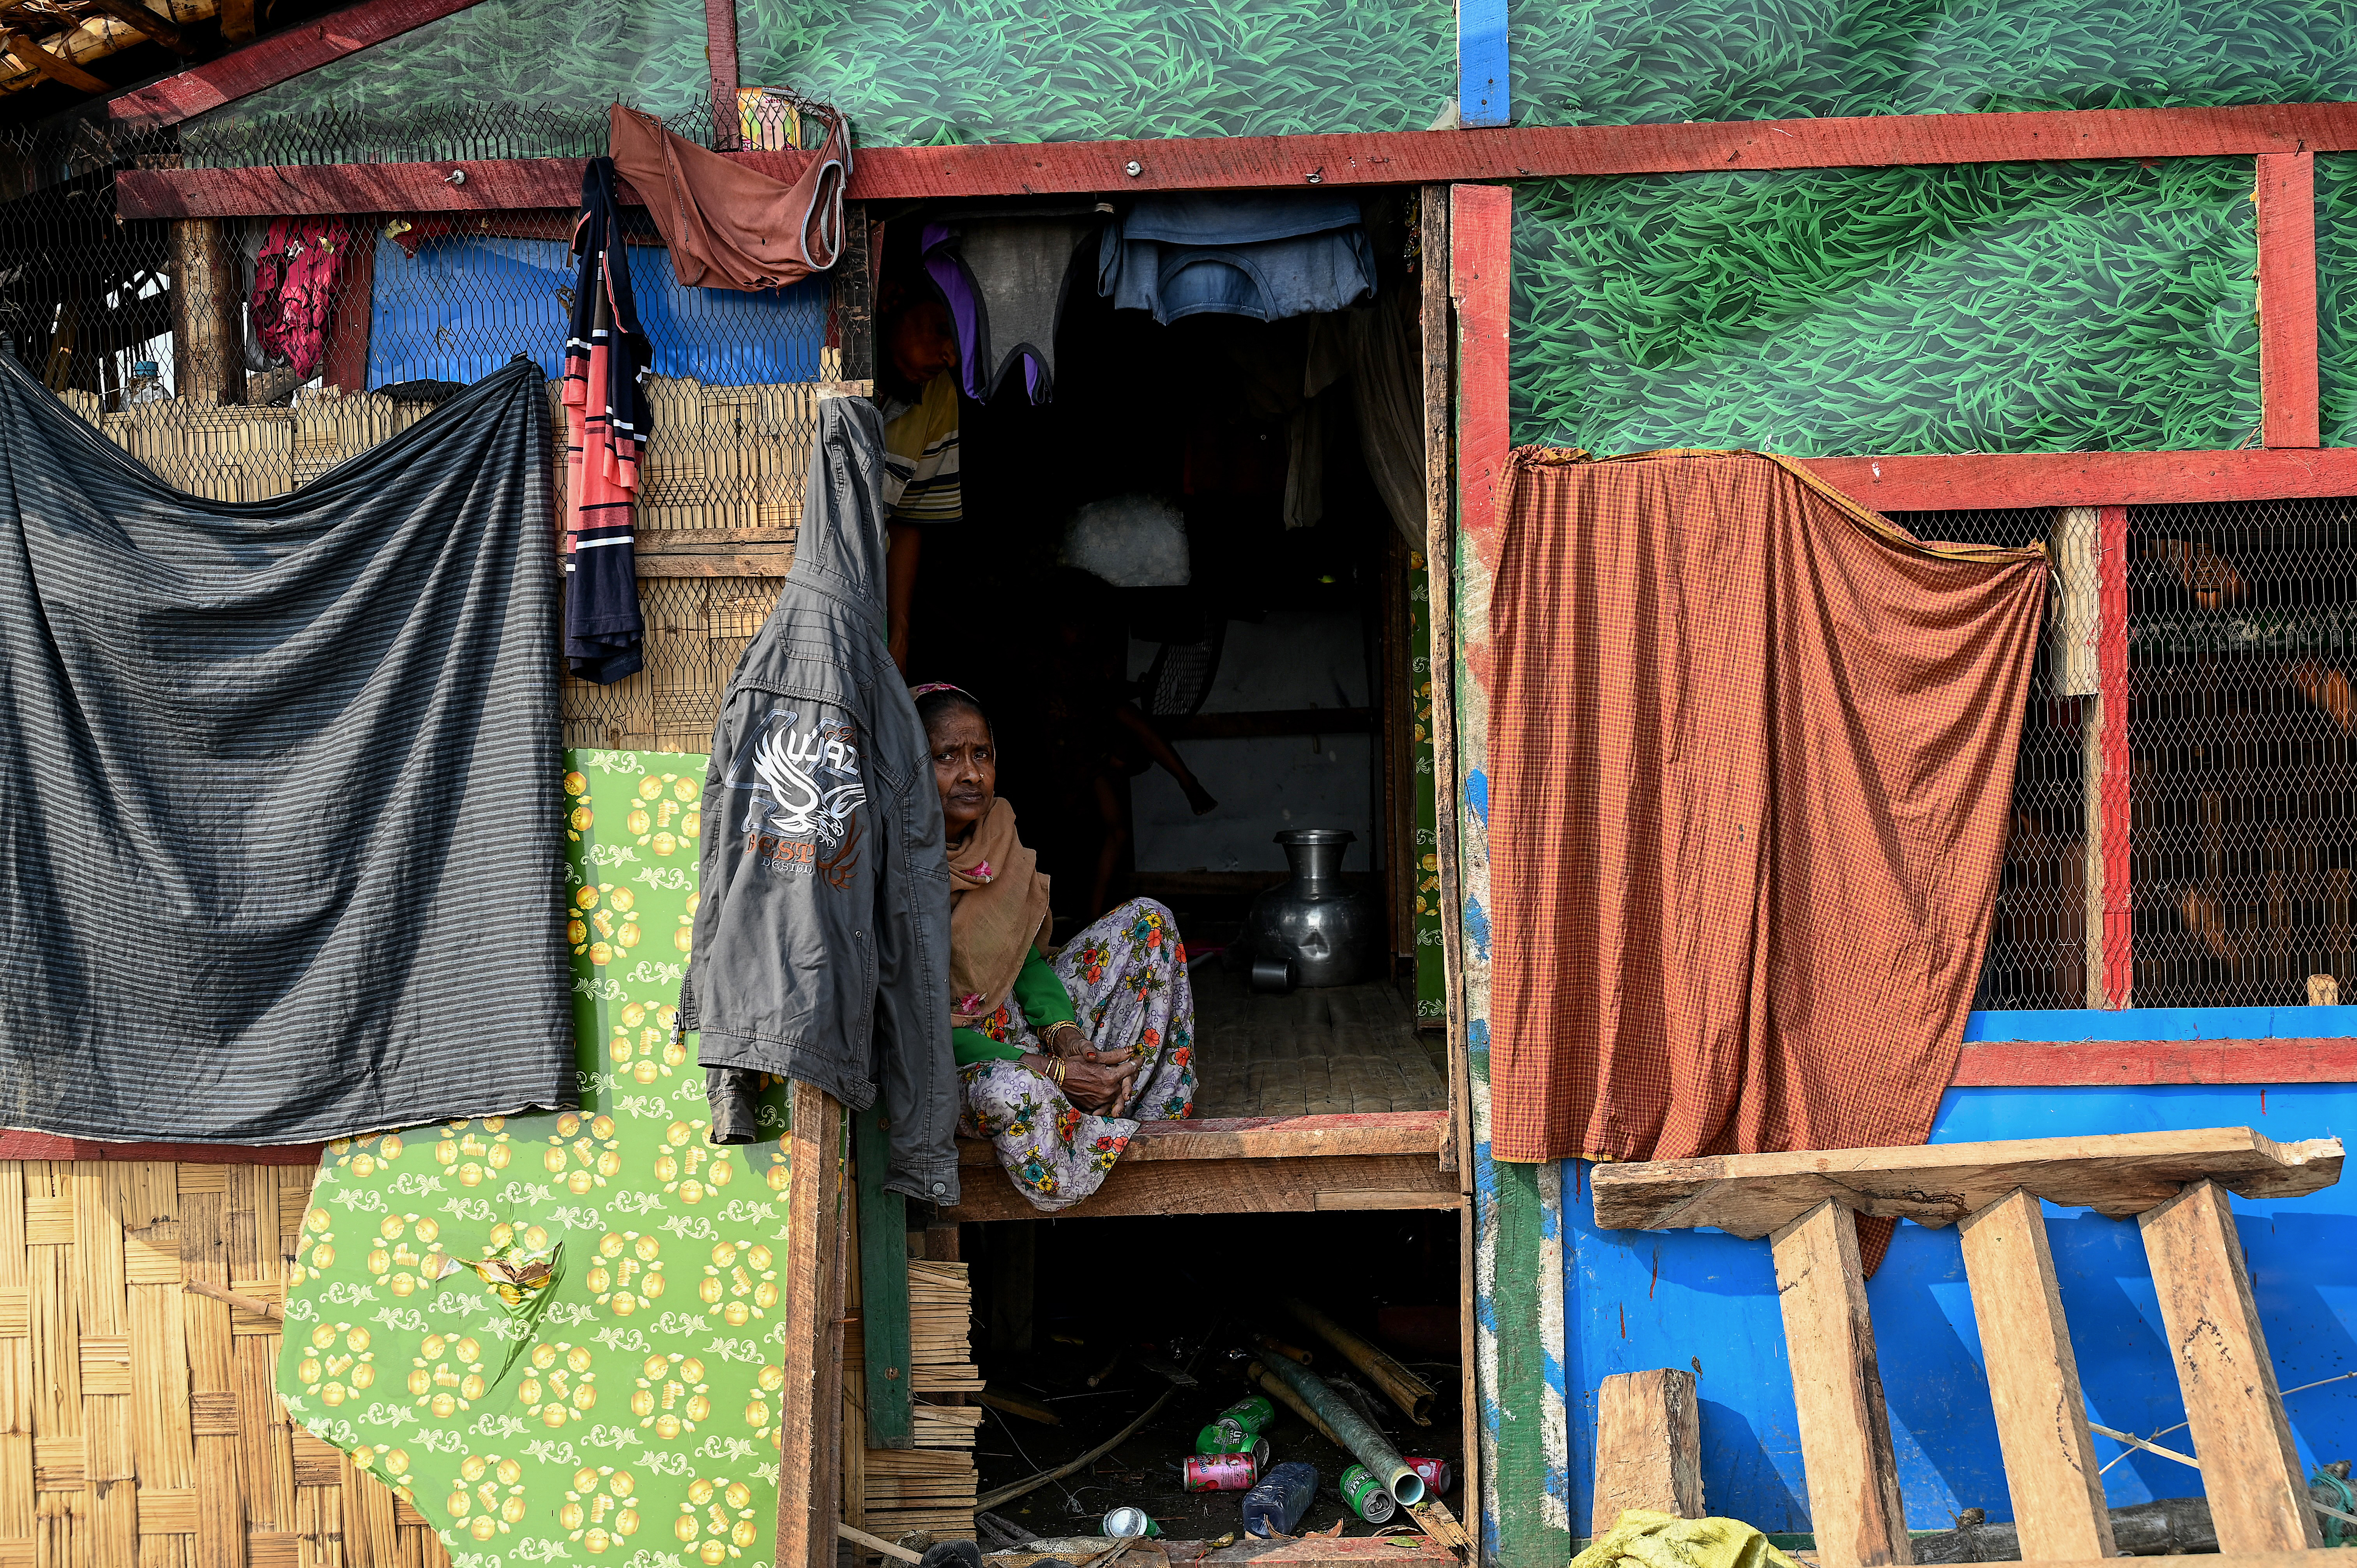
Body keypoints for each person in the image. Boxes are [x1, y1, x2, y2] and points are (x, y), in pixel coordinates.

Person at [916, 682, 1196, 1210]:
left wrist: (1067, 1038)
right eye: (946, 757)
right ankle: (1073, 1143)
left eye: (983, 755)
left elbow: (1021, 956)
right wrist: (1052, 1072)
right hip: (956, 1067)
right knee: (1015, 1095)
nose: (971, 773)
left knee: (1147, 921)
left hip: (1028, 1039)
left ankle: (1133, 1107)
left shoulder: (996, 834)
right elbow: (914, 1035)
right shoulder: (888, 870)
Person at [875, 283, 962, 672]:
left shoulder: (940, 396)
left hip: (868, 600)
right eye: (943, 331)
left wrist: (899, 633)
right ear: (892, 303)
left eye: (961, 340)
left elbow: (909, 520)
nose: (951, 357)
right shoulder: (823, 369)